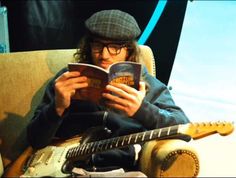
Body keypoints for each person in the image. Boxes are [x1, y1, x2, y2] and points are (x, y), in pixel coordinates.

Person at [27, 9, 190, 177]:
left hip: (116, 172)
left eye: (114, 47)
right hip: (62, 169)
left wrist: (141, 110)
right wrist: (57, 107)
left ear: (129, 50)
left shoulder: (147, 84)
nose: (104, 55)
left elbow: (184, 127)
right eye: (97, 45)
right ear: (88, 46)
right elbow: (34, 139)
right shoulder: (67, 79)